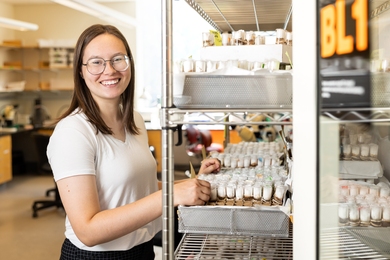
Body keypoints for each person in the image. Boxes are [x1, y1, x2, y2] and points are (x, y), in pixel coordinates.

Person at [47, 24, 221, 259]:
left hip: (141, 250)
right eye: (96, 62)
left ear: (129, 63)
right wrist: (170, 197)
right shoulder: (73, 132)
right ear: (80, 70)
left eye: (118, 59)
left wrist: (191, 183)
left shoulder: (135, 120)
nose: (109, 70)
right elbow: (88, 230)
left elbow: (139, 187)